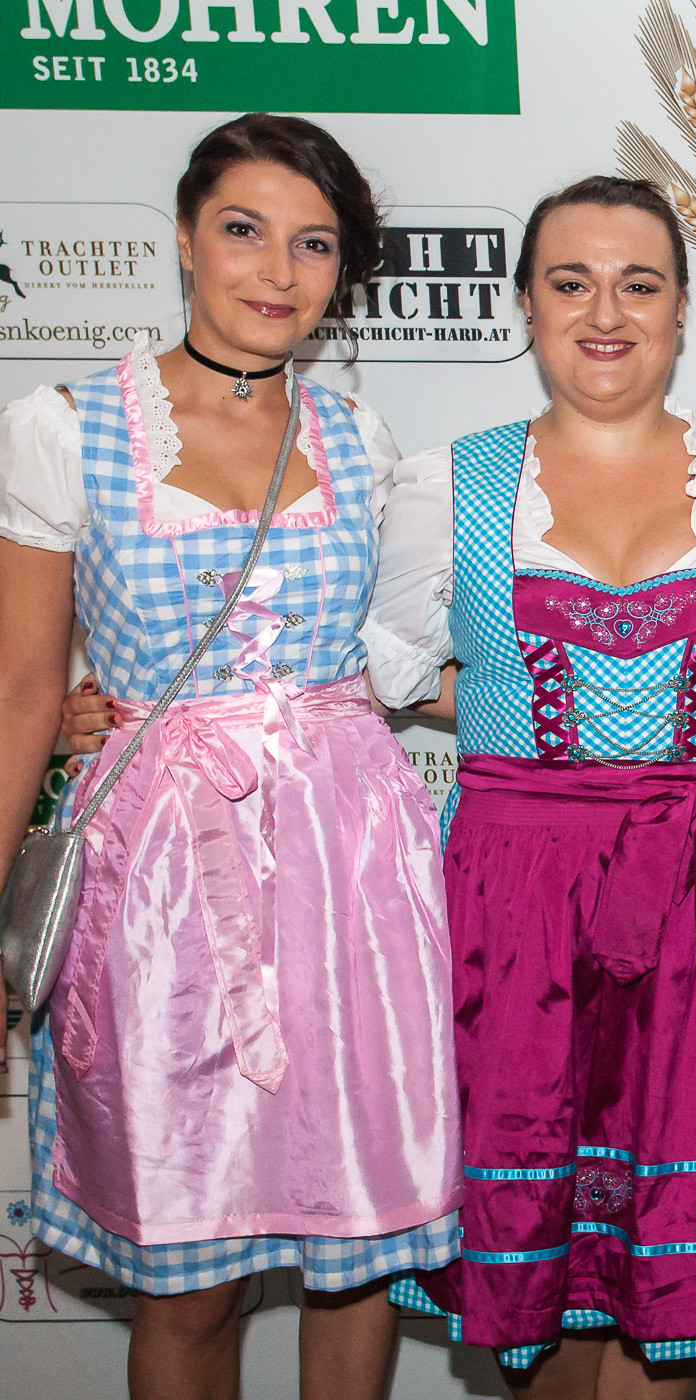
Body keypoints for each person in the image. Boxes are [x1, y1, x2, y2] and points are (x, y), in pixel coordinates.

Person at [0, 113, 460, 1399]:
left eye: (314, 244)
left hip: (352, 873)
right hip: (161, 885)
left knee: (355, 1253)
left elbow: (401, 662)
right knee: (187, 1271)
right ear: (186, 241)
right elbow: (24, 690)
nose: (277, 270)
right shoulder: (65, 428)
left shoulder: (363, 441)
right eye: (245, 230)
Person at [359, 176, 696, 1396]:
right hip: (515, 907)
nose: (606, 312)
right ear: (526, 302)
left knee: (672, 1278)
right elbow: (386, 675)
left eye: (639, 284)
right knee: (539, 1264)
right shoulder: (445, 483)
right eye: (570, 282)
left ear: (681, 310)